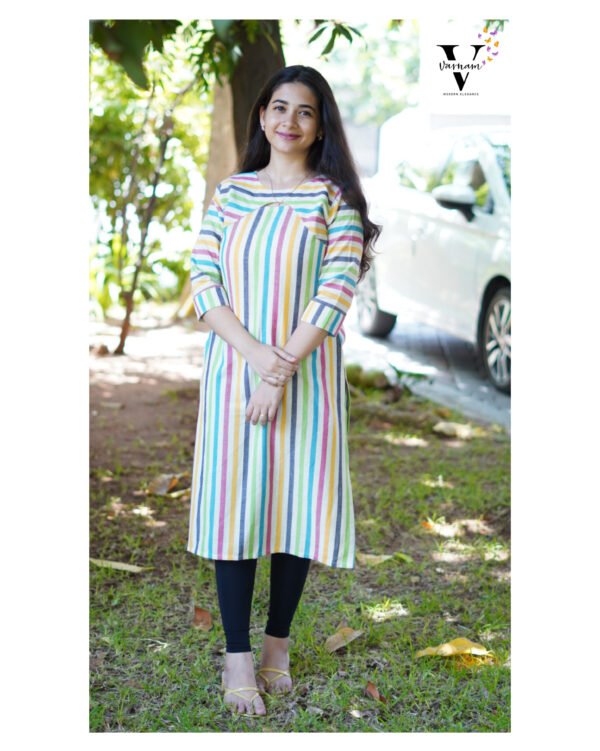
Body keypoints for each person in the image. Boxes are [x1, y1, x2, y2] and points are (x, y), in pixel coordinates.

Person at [186, 64, 381, 717]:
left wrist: (281, 370)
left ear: (320, 125)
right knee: (235, 507)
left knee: (296, 505)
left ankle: (277, 645)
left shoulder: (334, 201)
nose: (288, 120)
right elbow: (204, 280)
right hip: (233, 375)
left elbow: (335, 291)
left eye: (304, 111)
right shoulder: (231, 194)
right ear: (262, 117)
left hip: (308, 376)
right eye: (278, 107)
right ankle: (237, 655)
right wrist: (255, 360)